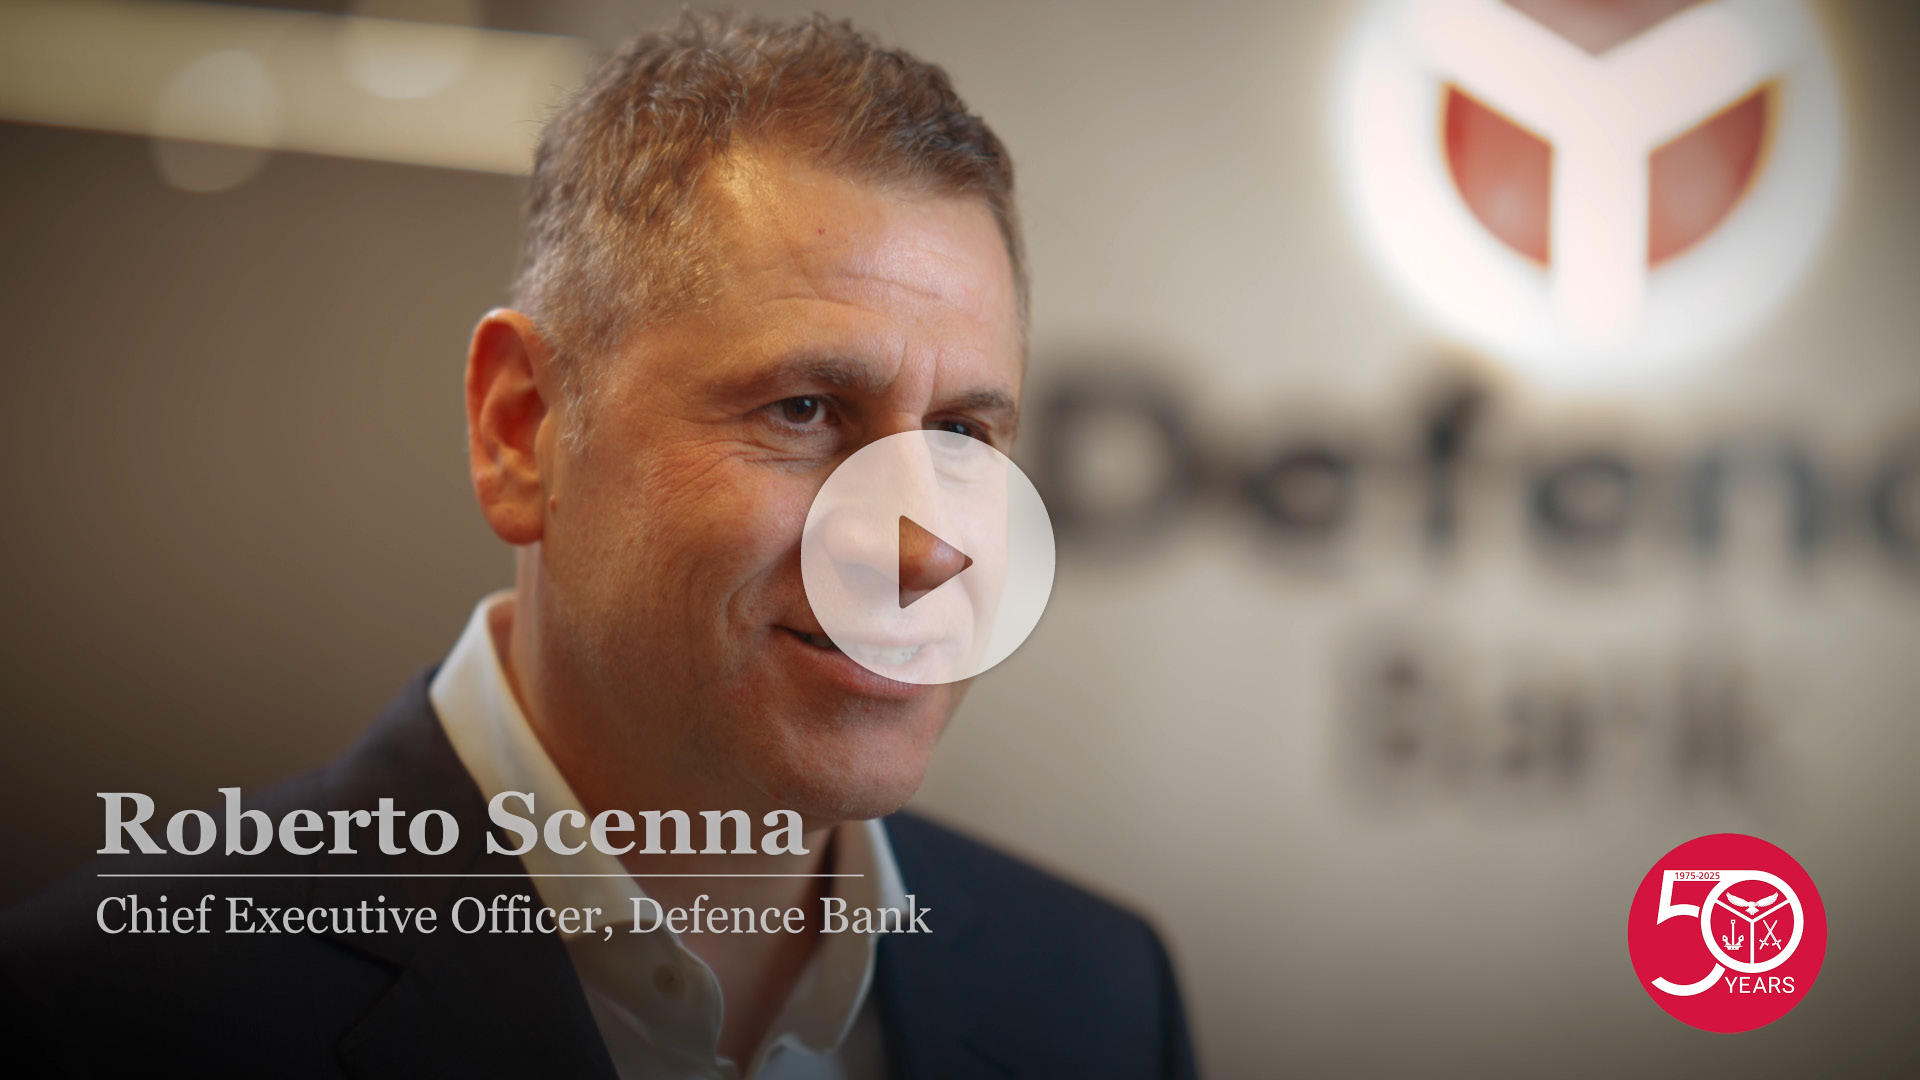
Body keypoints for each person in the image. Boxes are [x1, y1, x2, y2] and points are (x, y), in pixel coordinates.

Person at [0, 12, 1197, 1078]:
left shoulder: (1100, 994)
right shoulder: (99, 1016)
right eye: (804, 410)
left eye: (962, 436)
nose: (927, 554)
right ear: (521, 428)